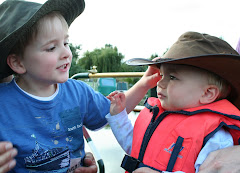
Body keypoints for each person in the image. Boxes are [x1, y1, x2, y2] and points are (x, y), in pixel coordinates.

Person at [0, 0, 160, 172]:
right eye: (52, 47)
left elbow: (114, 110)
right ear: (17, 62)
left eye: (66, 43)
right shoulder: (3, 103)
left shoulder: (77, 92)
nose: (66, 53)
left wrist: (144, 83)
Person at [106, 31, 240, 173]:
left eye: (173, 77)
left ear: (207, 93)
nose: (160, 83)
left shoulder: (216, 138)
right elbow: (134, 146)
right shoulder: (157, 116)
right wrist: (118, 116)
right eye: (162, 75)